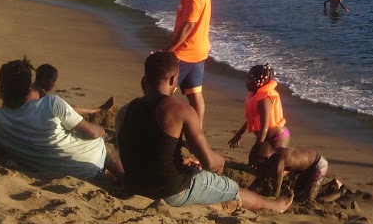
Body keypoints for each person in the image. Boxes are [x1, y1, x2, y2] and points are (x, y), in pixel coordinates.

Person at [120, 51, 290, 213]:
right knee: (231, 187)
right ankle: (273, 206)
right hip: (170, 192)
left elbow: (138, 149)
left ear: (145, 79)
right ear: (173, 79)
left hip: (133, 184)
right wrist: (221, 161)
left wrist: (181, 160)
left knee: (191, 168)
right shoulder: (181, 111)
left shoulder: (124, 111)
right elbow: (210, 163)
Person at [0, 59, 118, 182]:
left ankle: (111, 177)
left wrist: (6, 152)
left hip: (53, 172)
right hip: (87, 166)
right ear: (29, 88)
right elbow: (93, 133)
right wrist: (102, 130)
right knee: (105, 148)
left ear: (1, 90)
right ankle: (126, 180)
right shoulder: (51, 103)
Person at [227, 64, 330, 200]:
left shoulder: (265, 99)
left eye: (250, 80)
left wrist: (257, 146)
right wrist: (239, 134)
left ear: (260, 82)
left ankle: (296, 177)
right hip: (267, 138)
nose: (247, 83)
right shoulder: (256, 96)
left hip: (278, 137)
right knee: (269, 165)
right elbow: (252, 119)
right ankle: (291, 175)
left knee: (275, 165)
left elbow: (264, 127)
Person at [163, 0, 211, 125]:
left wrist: (169, 51)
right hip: (199, 51)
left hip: (185, 53)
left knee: (161, 90)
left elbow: (188, 26)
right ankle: (197, 131)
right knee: (195, 94)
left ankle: (161, 124)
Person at [33, 63, 113, 119]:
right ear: (44, 80)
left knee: (67, 107)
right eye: (53, 81)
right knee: (70, 109)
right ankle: (98, 110)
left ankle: (96, 110)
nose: (54, 84)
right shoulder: (38, 95)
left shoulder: (34, 90)